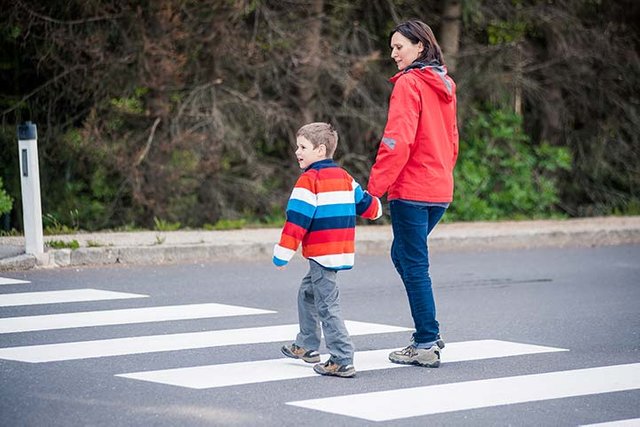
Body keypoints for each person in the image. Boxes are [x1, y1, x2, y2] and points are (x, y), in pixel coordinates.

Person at [367, 20, 459, 368]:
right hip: (439, 189)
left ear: (420, 47)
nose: (393, 54)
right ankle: (427, 333)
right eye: (392, 48)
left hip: (412, 190)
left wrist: (374, 191)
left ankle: (425, 341)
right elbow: (452, 141)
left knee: (414, 264)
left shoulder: (409, 84)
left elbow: (396, 141)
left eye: (399, 47)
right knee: (403, 256)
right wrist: (443, 176)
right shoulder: (445, 84)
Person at [273, 122, 382, 378]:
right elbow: (365, 204)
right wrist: (377, 208)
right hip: (338, 249)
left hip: (322, 253)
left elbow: (296, 219)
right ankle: (307, 345)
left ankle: (342, 358)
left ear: (320, 150)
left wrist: (283, 252)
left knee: (327, 305)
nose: (296, 151)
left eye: (302, 147)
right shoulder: (344, 177)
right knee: (307, 292)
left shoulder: (309, 180)